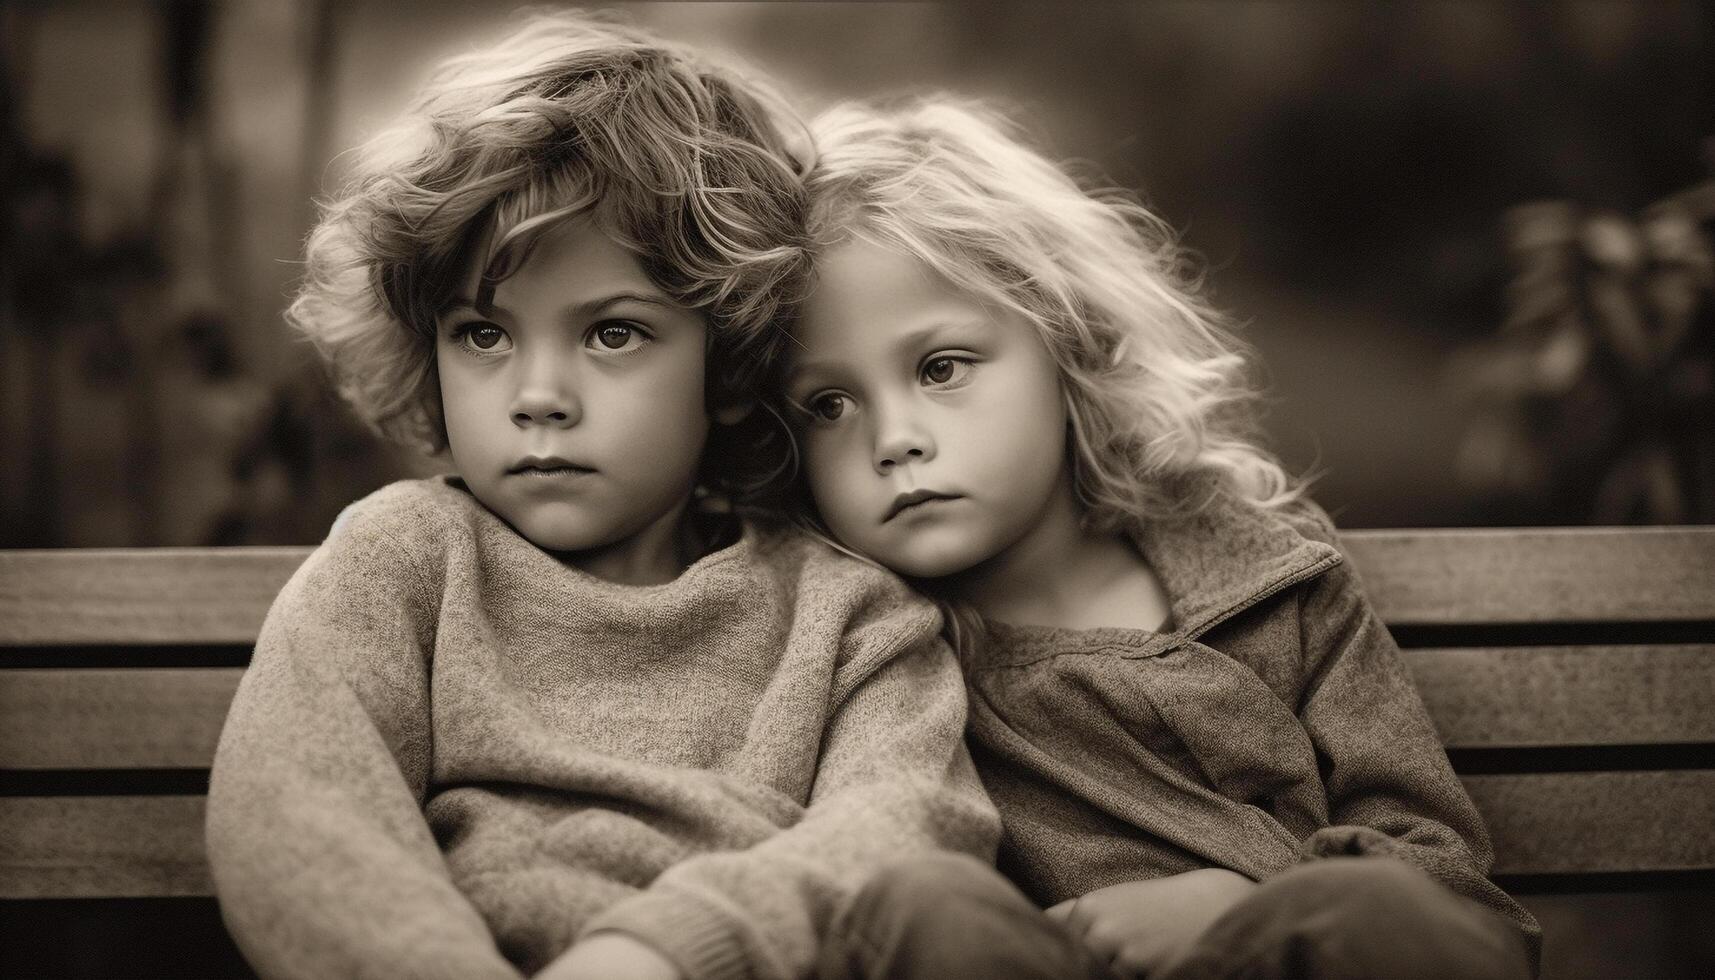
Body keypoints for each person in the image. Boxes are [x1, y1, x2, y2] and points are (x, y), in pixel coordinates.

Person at [204, 18, 998, 980]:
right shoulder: (401, 565)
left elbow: (906, 830)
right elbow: (301, 817)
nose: (538, 397)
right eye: (484, 335)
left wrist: (669, 953)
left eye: (612, 334)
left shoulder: (848, 616)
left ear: (732, 365)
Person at [776, 99, 1542, 980]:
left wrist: (1243, 896)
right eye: (826, 405)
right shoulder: (879, 653)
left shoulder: (1269, 582)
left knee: (1374, 906)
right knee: (917, 906)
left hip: (1298, 955)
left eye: (940, 367)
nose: (893, 438)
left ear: (1067, 347)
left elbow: (1445, 882)